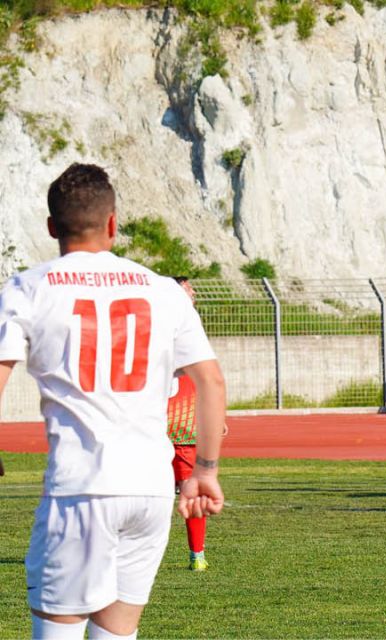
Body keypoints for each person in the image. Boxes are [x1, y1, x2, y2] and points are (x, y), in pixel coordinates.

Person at [0, 163, 226, 639]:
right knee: (117, 634)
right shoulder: (164, 290)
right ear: (112, 224)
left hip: (82, 486)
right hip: (150, 489)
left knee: (56, 631)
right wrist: (203, 472)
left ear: (50, 227)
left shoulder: (29, 286)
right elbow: (210, 381)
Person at [166, 276, 224, 572]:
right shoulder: (168, 323)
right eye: (187, 288)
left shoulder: (190, 322)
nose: (193, 292)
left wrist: (214, 419)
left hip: (186, 426)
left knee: (193, 490)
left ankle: (197, 554)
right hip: (162, 422)